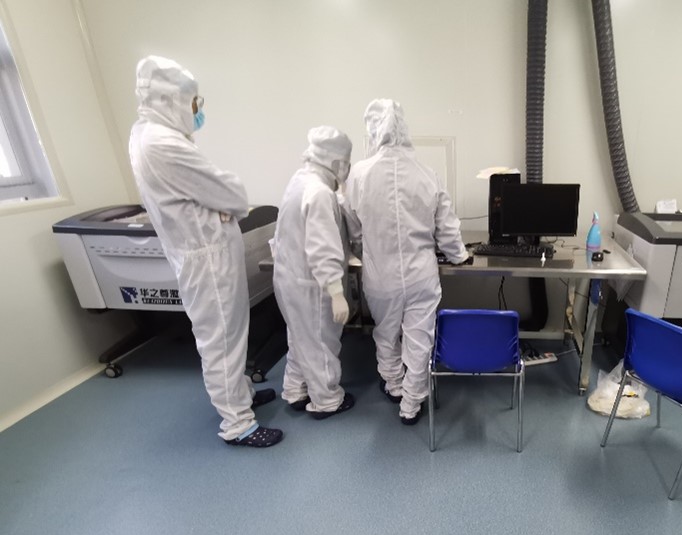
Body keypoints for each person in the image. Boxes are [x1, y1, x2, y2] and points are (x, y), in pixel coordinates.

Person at [128, 55, 282, 448]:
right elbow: (232, 193)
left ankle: (241, 396)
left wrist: (222, 205)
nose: (198, 109)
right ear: (170, 100)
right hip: (207, 258)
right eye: (193, 101)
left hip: (205, 252)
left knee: (229, 335)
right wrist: (225, 205)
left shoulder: (147, 134)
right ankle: (238, 424)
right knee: (222, 341)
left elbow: (218, 197)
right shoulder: (162, 143)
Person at [342, 99, 469, 425]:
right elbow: (447, 228)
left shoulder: (359, 175)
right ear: (404, 128)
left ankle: (394, 385)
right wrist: (459, 255)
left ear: (372, 130)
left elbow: (354, 229)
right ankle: (412, 403)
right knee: (419, 338)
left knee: (385, 333)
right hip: (421, 275)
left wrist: (367, 248)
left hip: (379, 276)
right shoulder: (427, 174)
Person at [272, 126, 355, 419]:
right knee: (320, 342)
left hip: (289, 276)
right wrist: (336, 293)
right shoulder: (319, 192)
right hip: (312, 284)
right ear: (337, 161)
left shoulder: (300, 180)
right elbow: (323, 248)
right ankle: (327, 400)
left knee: (300, 338)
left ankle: (295, 390)